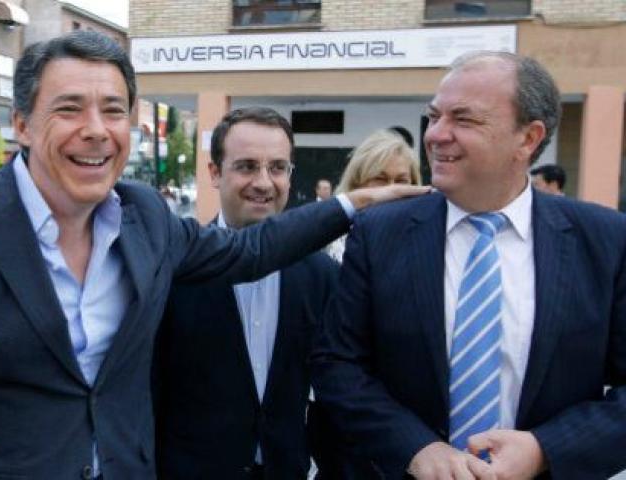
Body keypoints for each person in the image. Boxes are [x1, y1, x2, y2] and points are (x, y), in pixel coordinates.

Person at [0, 32, 428, 479]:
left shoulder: (146, 219)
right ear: (21, 123)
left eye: (113, 110)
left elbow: (252, 250)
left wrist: (354, 203)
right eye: (69, 108)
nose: (96, 129)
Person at [311, 51, 626, 480]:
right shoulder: (380, 233)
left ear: (528, 138)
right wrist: (415, 448)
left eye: (463, 119)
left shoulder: (606, 241)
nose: (435, 134)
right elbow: (337, 365)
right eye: (434, 116)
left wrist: (545, 449)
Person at [154, 107, 338, 479]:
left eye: (278, 168)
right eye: (247, 166)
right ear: (214, 173)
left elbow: (335, 385)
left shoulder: (322, 275)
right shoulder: (175, 269)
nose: (264, 183)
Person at [325, 129, 421, 262]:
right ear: (357, 183)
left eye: (401, 181)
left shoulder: (423, 238)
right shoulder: (337, 242)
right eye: (380, 179)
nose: (392, 189)